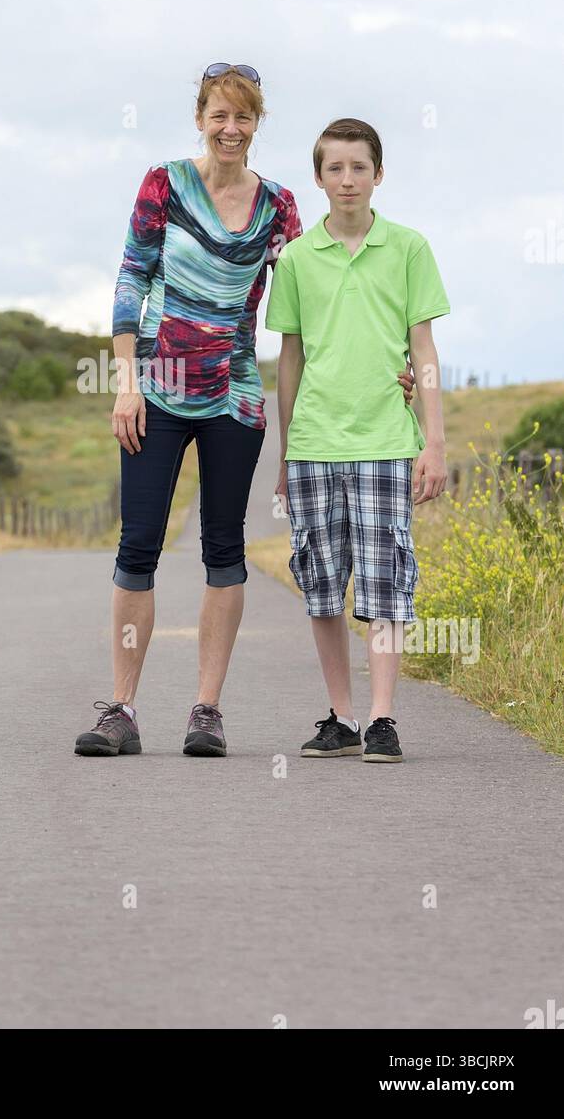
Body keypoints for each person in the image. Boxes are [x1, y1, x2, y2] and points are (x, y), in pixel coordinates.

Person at [73, 72, 411, 758]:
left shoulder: (279, 207)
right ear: (201, 117)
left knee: (222, 552)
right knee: (137, 548)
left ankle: (206, 711)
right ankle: (122, 711)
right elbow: (132, 278)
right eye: (220, 115)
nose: (232, 129)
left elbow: (315, 295)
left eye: (245, 118)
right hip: (157, 392)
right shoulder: (163, 184)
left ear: (257, 124)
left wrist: (391, 364)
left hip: (233, 395)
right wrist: (125, 383)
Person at [265, 117, 450, 763]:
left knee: (385, 580)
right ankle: (340, 715)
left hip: (384, 441)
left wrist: (434, 442)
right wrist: (286, 453)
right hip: (315, 443)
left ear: (378, 174)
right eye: (335, 168)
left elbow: (423, 349)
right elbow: (289, 359)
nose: (348, 180)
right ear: (318, 178)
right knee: (321, 582)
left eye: (359, 167)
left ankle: (381, 718)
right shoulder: (294, 260)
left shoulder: (407, 248)